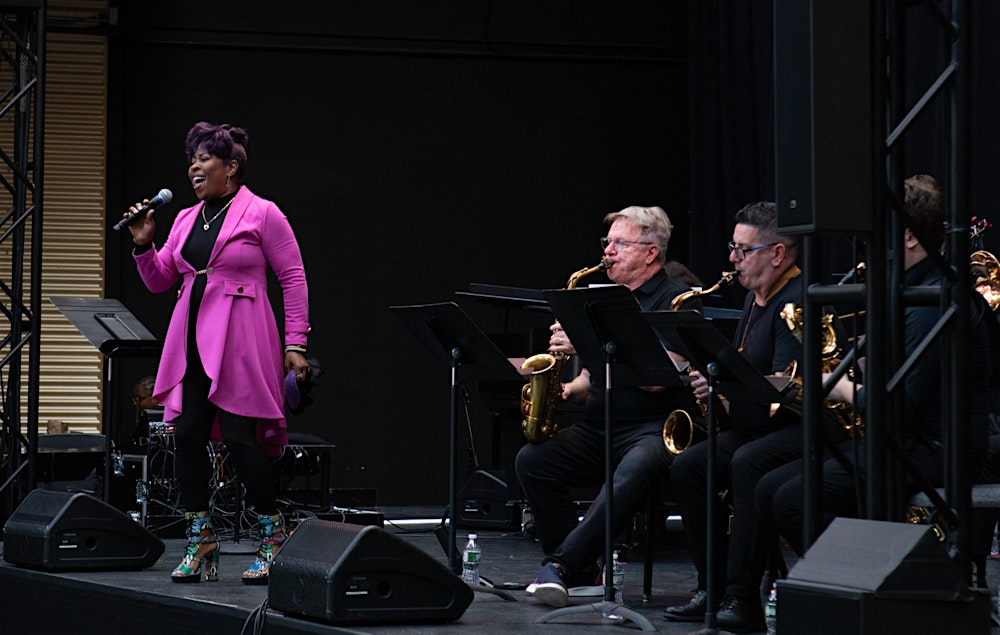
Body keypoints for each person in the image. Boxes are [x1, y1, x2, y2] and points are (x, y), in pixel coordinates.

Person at [757, 175, 993, 561]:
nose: (869, 240)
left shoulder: (933, 298)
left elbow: (903, 405)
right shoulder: (909, 289)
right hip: (903, 441)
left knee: (791, 500)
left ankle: (873, 591)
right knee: (770, 488)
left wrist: (838, 387)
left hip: (935, 449)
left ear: (910, 237)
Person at [124, 121, 310, 585]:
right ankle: (201, 539)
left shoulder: (263, 213)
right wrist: (144, 244)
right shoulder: (186, 219)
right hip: (191, 337)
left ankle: (273, 536)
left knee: (240, 436)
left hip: (242, 335)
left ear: (232, 167)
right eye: (192, 159)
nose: (194, 166)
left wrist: (296, 342)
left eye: (205, 158)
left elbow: (293, 277)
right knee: (185, 434)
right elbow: (161, 279)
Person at [517, 205, 701, 608]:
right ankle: (585, 573)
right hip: (599, 425)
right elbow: (598, 373)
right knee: (534, 460)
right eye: (608, 242)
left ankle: (563, 565)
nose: (608, 252)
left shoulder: (677, 301)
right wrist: (571, 387)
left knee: (636, 467)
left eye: (620, 243)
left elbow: (657, 378)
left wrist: (586, 345)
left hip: (653, 426)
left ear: (651, 253)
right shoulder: (601, 298)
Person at [663, 201, 804, 632]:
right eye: (732, 247)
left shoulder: (795, 301)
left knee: (746, 463)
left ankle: (743, 597)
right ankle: (714, 586)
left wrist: (726, 383)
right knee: (689, 466)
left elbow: (785, 388)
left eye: (742, 250)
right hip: (751, 427)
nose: (731, 259)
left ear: (776, 254)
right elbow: (746, 372)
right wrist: (714, 382)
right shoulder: (754, 300)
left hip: (795, 431)